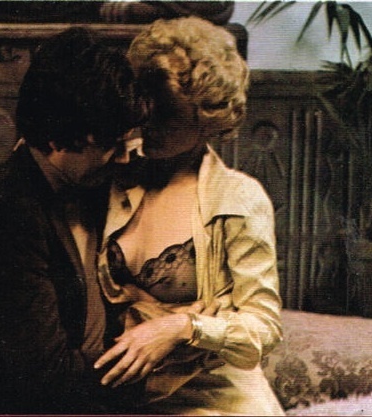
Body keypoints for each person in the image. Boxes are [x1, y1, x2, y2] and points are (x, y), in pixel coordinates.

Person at [0, 26, 148, 414]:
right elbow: (47, 377)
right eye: (110, 144)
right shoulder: (8, 216)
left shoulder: (89, 178)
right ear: (59, 140)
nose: (122, 156)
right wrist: (151, 366)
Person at [94, 16, 285, 415]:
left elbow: (264, 326)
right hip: (122, 394)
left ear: (207, 119)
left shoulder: (237, 198)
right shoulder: (110, 173)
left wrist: (183, 327)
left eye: (167, 114)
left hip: (217, 397)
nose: (149, 124)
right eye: (146, 106)